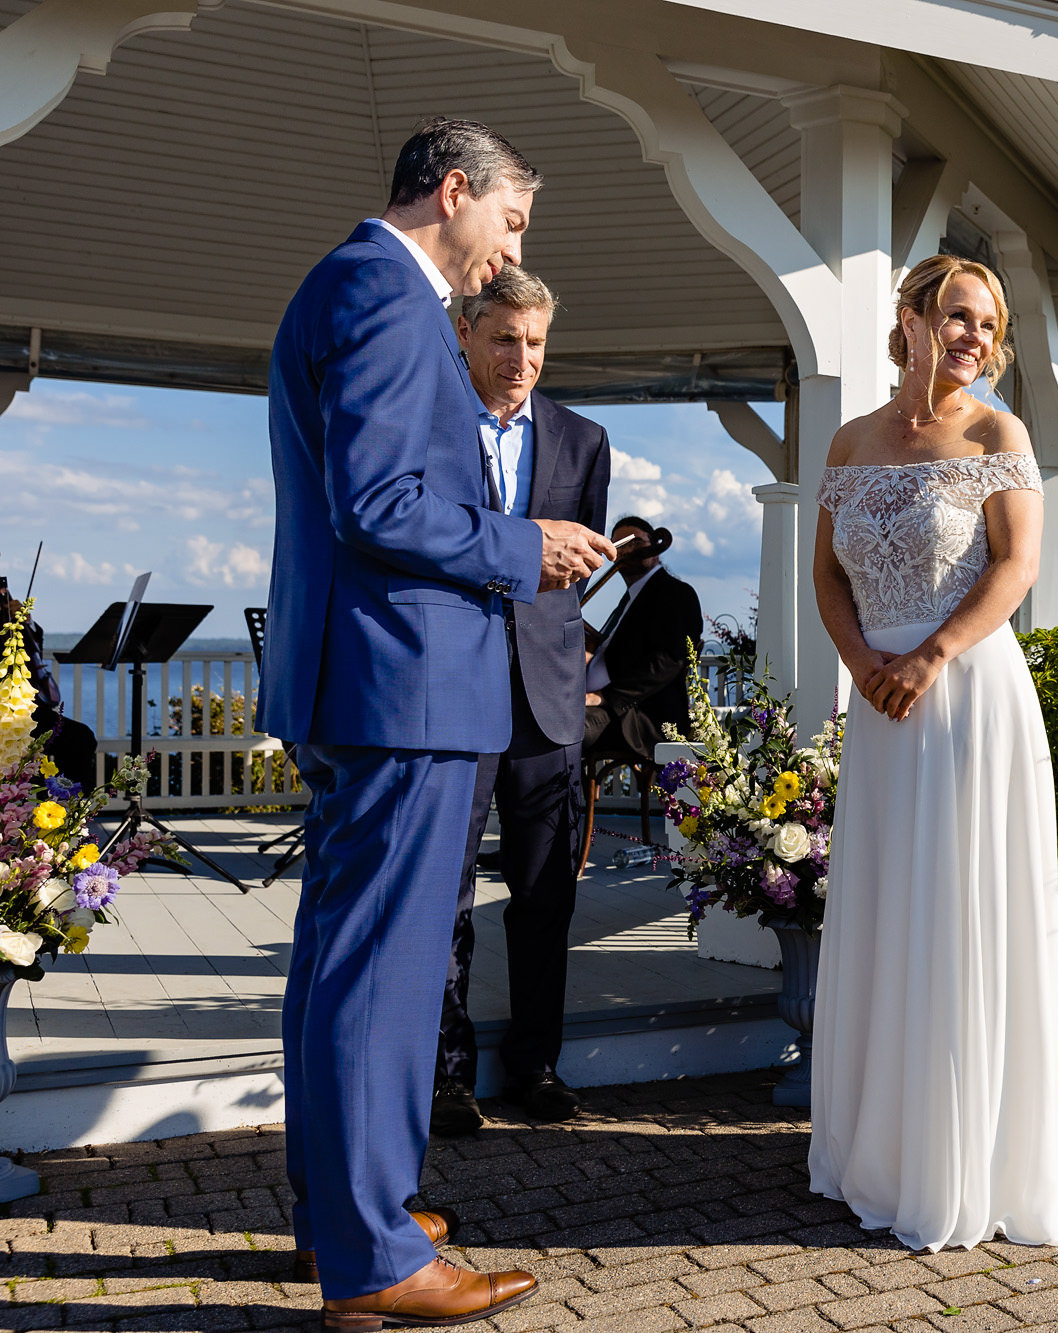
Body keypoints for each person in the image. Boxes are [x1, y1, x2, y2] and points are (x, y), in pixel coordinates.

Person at [260, 117, 614, 1325]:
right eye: (509, 221)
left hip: (371, 678)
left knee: (341, 962)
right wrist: (527, 545)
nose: (507, 250)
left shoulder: (348, 286)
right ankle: (371, 1257)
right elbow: (383, 504)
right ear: (454, 192)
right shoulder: (386, 293)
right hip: (400, 680)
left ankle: (340, 1213)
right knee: (385, 972)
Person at [809, 253, 1058, 1251]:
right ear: (910, 316)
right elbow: (827, 574)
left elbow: (1017, 564)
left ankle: (977, 1156)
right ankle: (885, 1147)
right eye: (956, 315)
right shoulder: (851, 438)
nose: (972, 336)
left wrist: (931, 654)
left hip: (965, 694)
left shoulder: (998, 430)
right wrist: (862, 659)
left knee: (963, 903)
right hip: (879, 698)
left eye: (986, 323)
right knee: (885, 907)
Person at [431, 267, 610, 1137]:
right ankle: (444, 1076)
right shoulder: (427, 431)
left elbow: (575, 573)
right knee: (447, 893)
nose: (522, 358)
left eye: (536, 342)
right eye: (506, 338)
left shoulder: (583, 440)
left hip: (548, 697)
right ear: (467, 333)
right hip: (453, 693)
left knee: (547, 894)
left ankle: (536, 1063)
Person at [581, 517, 703, 765]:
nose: (628, 550)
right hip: (606, 706)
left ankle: (560, 803)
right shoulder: (632, 597)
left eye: (636, 542)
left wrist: (606, 697)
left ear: (655, 549)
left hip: (639, 716)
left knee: (564, 731)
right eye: (620, 545)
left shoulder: (676, 593)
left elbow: (668, 661)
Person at [0, 578, 97, 787]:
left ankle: (67, 807)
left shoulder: (4, 603)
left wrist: (27, 623)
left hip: (25, 710)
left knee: (80, 737)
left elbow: (34, 645)